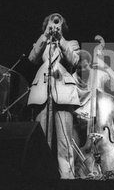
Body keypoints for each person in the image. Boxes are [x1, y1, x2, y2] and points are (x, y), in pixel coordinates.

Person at [27, 13, 80, 179]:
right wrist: (45, 36)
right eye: (52, 23)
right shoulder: (41, 43)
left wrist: (61, 40)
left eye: (58, 23)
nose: (55, 26)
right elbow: (32, 58)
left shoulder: (71, 43)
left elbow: (74, 61)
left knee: (65, 144)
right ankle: (44, 179)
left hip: (63, 94)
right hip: (42, 93)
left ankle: (67, 180)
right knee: (43, 144)